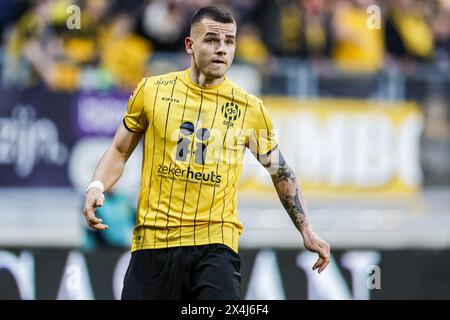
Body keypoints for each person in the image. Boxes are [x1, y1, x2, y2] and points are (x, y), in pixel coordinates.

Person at [82, 6, 330, 300]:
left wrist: (306, 229)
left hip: (216, 246)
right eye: (212, 40)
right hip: (154, 242)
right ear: (190, 45)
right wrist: (97, 185)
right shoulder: (152, 91)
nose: (222, 49)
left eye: (229, 42)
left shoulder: (250, 109)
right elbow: (119, 150)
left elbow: (280, 171)